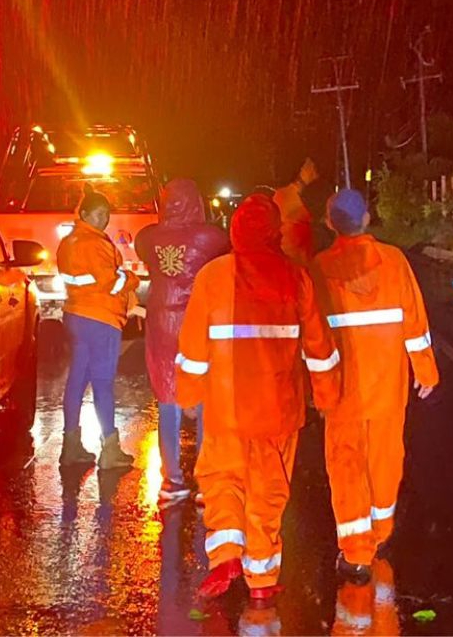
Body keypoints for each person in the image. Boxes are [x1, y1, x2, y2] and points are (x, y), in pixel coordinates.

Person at [176, 195, 340, 602]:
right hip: (277, 409)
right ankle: (262, 581)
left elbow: (193, 347)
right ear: (275, 232)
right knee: (268, 492)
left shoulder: (213, 276)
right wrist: (327, 394)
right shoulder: (295, 277)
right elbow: (319, 347)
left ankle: (227, 556)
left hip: (225, 408)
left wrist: (187, 394)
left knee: (221, 480)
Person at [309, 189, 439, 582]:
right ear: (367, 219)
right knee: (385, 459)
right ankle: (380, 533)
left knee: (347, 464)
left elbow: (311, 334)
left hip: (342, 387)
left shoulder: (318, 268)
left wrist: (310, 385)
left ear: (330, 223)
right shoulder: (394, 261)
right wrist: (426, 371)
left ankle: (356, 552)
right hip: (388, 386)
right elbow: (414, 321)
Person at [135, 179, 229, 502]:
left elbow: (141, 245)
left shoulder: (148, 238)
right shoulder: (208, 238)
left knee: (167, 397)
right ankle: (206, 480)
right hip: (195, 321)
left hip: (161, 321)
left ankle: (172, 480)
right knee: (204, 400)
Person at [56, 184, 140, 469]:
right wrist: (131, 280)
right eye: (98, 214)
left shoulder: (69, 242)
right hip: (101, 319)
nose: (103, 219)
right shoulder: (95, 244)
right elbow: (112, 282)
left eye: (106, 214)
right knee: (103, 382)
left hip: (76, 315)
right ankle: (110, 449)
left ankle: (71, 446)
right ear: (85, 213)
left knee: (76, 381)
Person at [272, 158, 320, 265]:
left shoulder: (314, 196)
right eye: (309, 167)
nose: (314, 172)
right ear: (301, 170)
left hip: (305, 259)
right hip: (288, 258)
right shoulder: (282, 195)